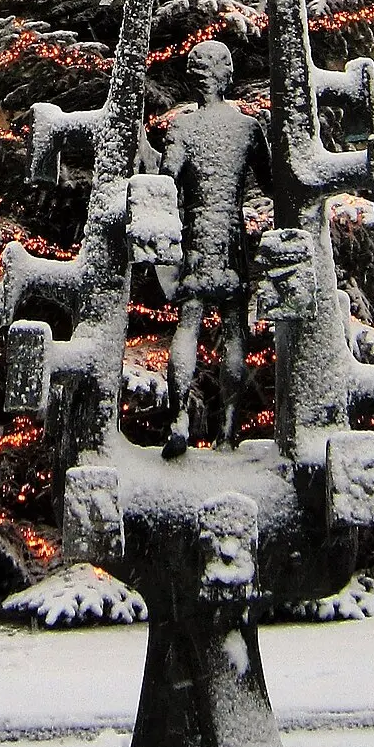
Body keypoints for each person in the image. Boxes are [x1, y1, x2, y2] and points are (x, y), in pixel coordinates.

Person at [158, 41, 265, 456]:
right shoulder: (248, 128)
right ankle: (227, 430)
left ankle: (179, 416)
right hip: (233, 238)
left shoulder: (183, 128)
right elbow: (273, 183)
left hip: (197, 238)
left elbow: (166, 180)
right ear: (228, 74)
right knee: (235, 330)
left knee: (188, 326)